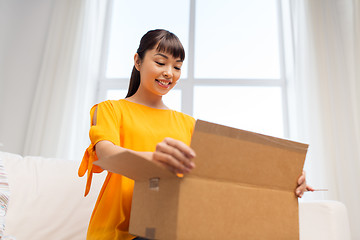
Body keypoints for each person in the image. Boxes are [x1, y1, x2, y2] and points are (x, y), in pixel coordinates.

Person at [78, 29, 312, 240]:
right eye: (160, 62)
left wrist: (286, 175)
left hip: (170, 228)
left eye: (177, 67)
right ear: (138, 61)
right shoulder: (110, 109)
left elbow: (225, 170)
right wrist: (154, 160)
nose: (169, 73)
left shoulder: (187, 124)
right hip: (121, 232)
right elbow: (106, 152)